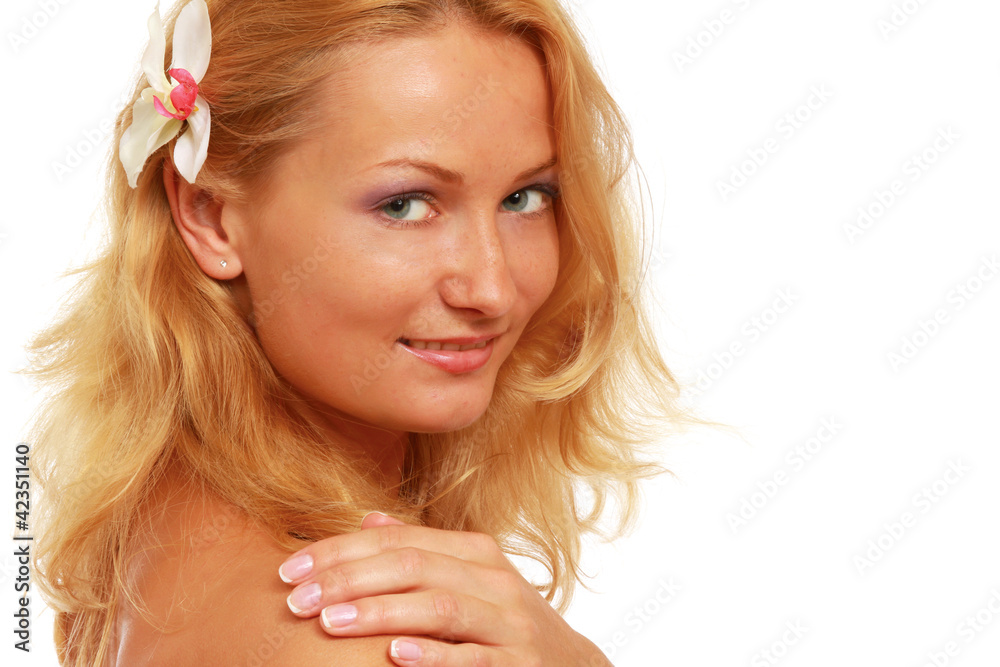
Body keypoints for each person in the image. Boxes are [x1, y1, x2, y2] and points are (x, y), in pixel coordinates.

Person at [23, 0, 716, 664]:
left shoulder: (150, 533)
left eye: (525, 197)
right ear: (210, 216)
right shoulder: (361, 635)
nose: (492, 288)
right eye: (405, 204)